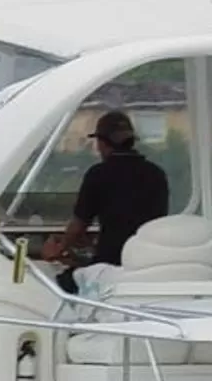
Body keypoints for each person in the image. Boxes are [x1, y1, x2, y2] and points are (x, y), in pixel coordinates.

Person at [37, 109, 169, 276]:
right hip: (149, 264)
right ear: (131, 142)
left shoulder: (99, 175)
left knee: (53, 277)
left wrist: (57, 248)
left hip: (111, 265)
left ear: (103, 143)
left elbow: (78, 226)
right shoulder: (156, 174)